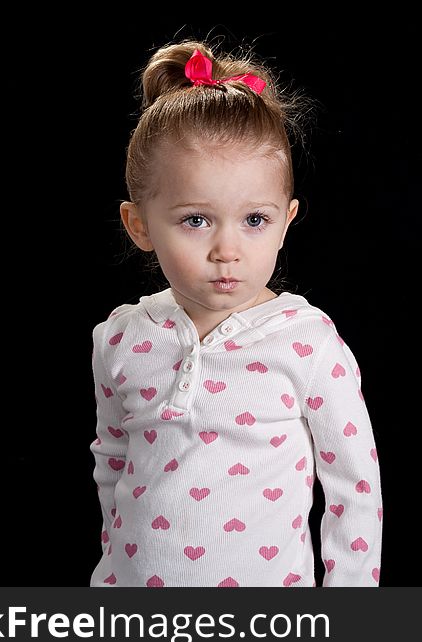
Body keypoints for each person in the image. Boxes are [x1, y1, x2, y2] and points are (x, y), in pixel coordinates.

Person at [89, 40, 383, 587]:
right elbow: (113, 465)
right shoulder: (121, 339)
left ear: (287, 219)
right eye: (196, 220)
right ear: (140, 225)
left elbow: (354, 487)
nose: (228, 249)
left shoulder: (306, 342)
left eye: (254, 219)